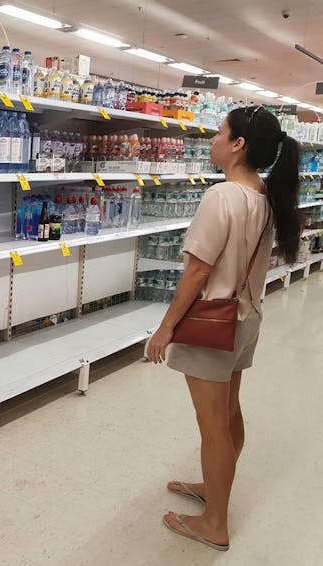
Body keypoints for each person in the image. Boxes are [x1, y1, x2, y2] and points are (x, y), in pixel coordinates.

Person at [146, 105, 300, 551]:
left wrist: (165, 328)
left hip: (211, 323)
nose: (212, 141)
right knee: (229, 412)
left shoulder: (223, 196)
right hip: (245, 317)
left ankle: (214, 522)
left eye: (219, 134)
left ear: (238, 145)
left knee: (211, 424)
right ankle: (214, 488)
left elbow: (196, 273)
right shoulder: (265, 195)